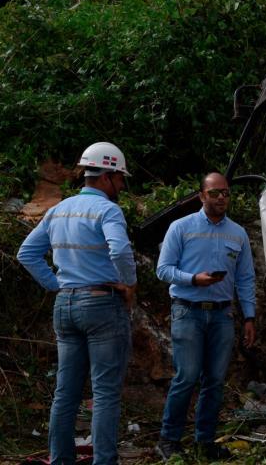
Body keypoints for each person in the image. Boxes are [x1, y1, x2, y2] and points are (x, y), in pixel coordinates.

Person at [17, 142, 137, 465]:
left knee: (65, 393)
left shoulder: (59, 210)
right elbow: (120, 250)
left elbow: (26, 253)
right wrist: (129, 283)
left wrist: (57, 285)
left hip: (65, 306)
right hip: (101, 306)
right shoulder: (108, 210)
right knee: (105, 392)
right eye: (120, 178)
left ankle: (61, 460)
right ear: (107, 176)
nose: (121, 185)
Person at [155, 172, 256, 460]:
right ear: (201, 196)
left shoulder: (237, 233)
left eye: (225, 192)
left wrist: (249, 317)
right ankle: (168, 440)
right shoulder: (181, 227)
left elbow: (245, 278)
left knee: (215, 380)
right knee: (186, 377)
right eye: (214, 193)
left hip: (222, 315)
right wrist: (193, 279)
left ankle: (205, 441)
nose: (221, 197)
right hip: (188, 310)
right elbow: (163, 269)